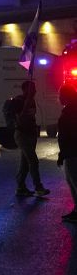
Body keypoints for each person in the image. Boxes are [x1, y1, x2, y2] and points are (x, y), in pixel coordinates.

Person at [10, 80, 49, 198]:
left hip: (31, 134)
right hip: (22, 135)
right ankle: (38, 187)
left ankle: (20, 187)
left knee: (25, 163)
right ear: (25, 90)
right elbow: (19, 120)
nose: (35, 91)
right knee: (33, 160)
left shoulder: (31, 101)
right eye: (33, 89)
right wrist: (25, 106)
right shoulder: (18, 101)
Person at [56, 84, 77, 222]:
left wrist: (62, 154)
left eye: (60, 95)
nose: (59, 98)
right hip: (71, 151)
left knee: (74, 182)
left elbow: (67, 136)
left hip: (72, 153)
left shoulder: (69, 111)